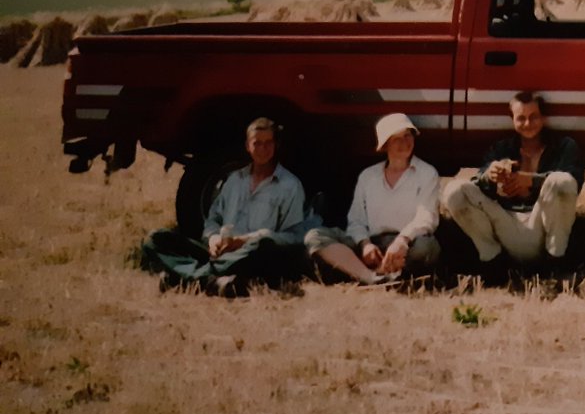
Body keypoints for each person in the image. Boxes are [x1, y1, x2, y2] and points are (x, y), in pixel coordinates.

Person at [142, 117, 308, 297]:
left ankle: (186, 278)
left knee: (261, 246)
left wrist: (247, 240)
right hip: (220, 255)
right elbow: (214, 219)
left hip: (252, 256)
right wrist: (213, 238)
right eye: (257, 143)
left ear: (276, 146)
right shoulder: (234, 180)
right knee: (155, 239)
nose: (262, 149)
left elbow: (295, 237)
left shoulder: (290, 185)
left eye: (268, 143)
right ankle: (211, 281)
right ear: (247, 146)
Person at [443, 91, 583, 276]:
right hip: (506, 223)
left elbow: (573, 182)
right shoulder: (501, 148)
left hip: (542, 224)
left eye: (533, 117)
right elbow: (477, 185)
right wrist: (490, 175)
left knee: (561, 180)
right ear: (512, 120)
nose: (527, 124)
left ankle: (555, 264)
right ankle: (492, 260)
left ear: (543, 118)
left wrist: (531, 181)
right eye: (521, 118)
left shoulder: (564, 146)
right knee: (454, 190)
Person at [304, 113, 440, 285]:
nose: (405, 142)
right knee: (315, 237)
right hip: (372, 242)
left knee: (426, 249)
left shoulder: (427, 173)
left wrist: (402, 241)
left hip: (406, 244)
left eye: (408, 135)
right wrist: (365, 245)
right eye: (396, 138)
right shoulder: (368, 176)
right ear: (385, 145)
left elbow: (426, 217)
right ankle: (370, 277)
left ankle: (375, 272)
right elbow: (356, 220)